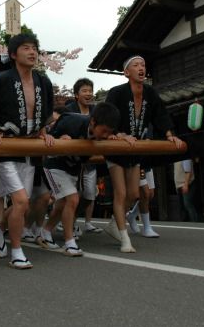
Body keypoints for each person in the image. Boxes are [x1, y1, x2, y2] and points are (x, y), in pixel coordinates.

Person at [0, 33, 55, 269]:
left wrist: (44, 131)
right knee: (22, 201)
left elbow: (47, 112)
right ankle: (16, 251)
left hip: (30, 147)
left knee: (21, 201)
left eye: (34, 48)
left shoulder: (42, 81)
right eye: (26, 48)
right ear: (13, 54)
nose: (32, 52)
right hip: (6, 146)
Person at [104, 55, 183, 252]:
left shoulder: (150, 93)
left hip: (135, 149)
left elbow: (160, 114)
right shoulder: (117, 92)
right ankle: (125, 240)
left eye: (143, 65)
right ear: (126, 72)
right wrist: (118, 134)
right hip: (116, 148)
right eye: (136, 65)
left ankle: (115, 222)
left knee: (133, 194)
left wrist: (169, 134)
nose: (141, 68)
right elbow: (107, 114)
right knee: (121, 193)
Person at [41, 103, 120, 256]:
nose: (105, 135)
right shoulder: (71, 121)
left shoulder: (107, 134)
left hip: (73, 169)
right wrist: (58, 138)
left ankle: (45, 232)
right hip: (54, 164)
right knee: (72, 199)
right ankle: (69, 243)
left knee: (61, 204)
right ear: (93, 122)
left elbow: (111, 137)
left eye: (108, 132)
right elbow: (49, 135)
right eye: (103, 131)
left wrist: (115, 137)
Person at [65, 78, 102, 233]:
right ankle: (70, 224)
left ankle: (77, 220)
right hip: (71, 160)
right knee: (73, 195)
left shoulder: (96, 111)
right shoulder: (69, 110)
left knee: (89, 194)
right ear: (76, 95)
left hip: (90, 160)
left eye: (90, 91)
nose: (88, 94)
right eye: (84, 91)